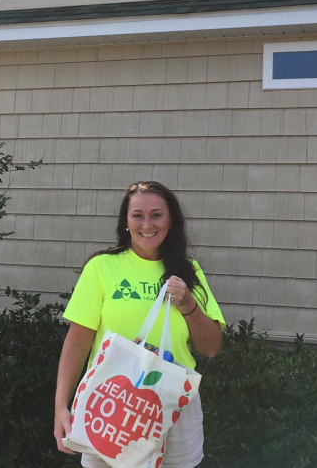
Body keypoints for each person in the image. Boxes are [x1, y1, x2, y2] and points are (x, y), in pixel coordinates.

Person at [54, 181, 226, 468]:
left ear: (171, 221)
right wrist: (62, 405)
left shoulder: (189, 271)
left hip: (173, 404)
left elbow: (211, 347)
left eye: (157, 214)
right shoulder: (102, 267)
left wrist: (187, 305)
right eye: (137, 215)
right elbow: (78, 340)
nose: (147, 224)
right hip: (111, 402)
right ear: (126, 222)